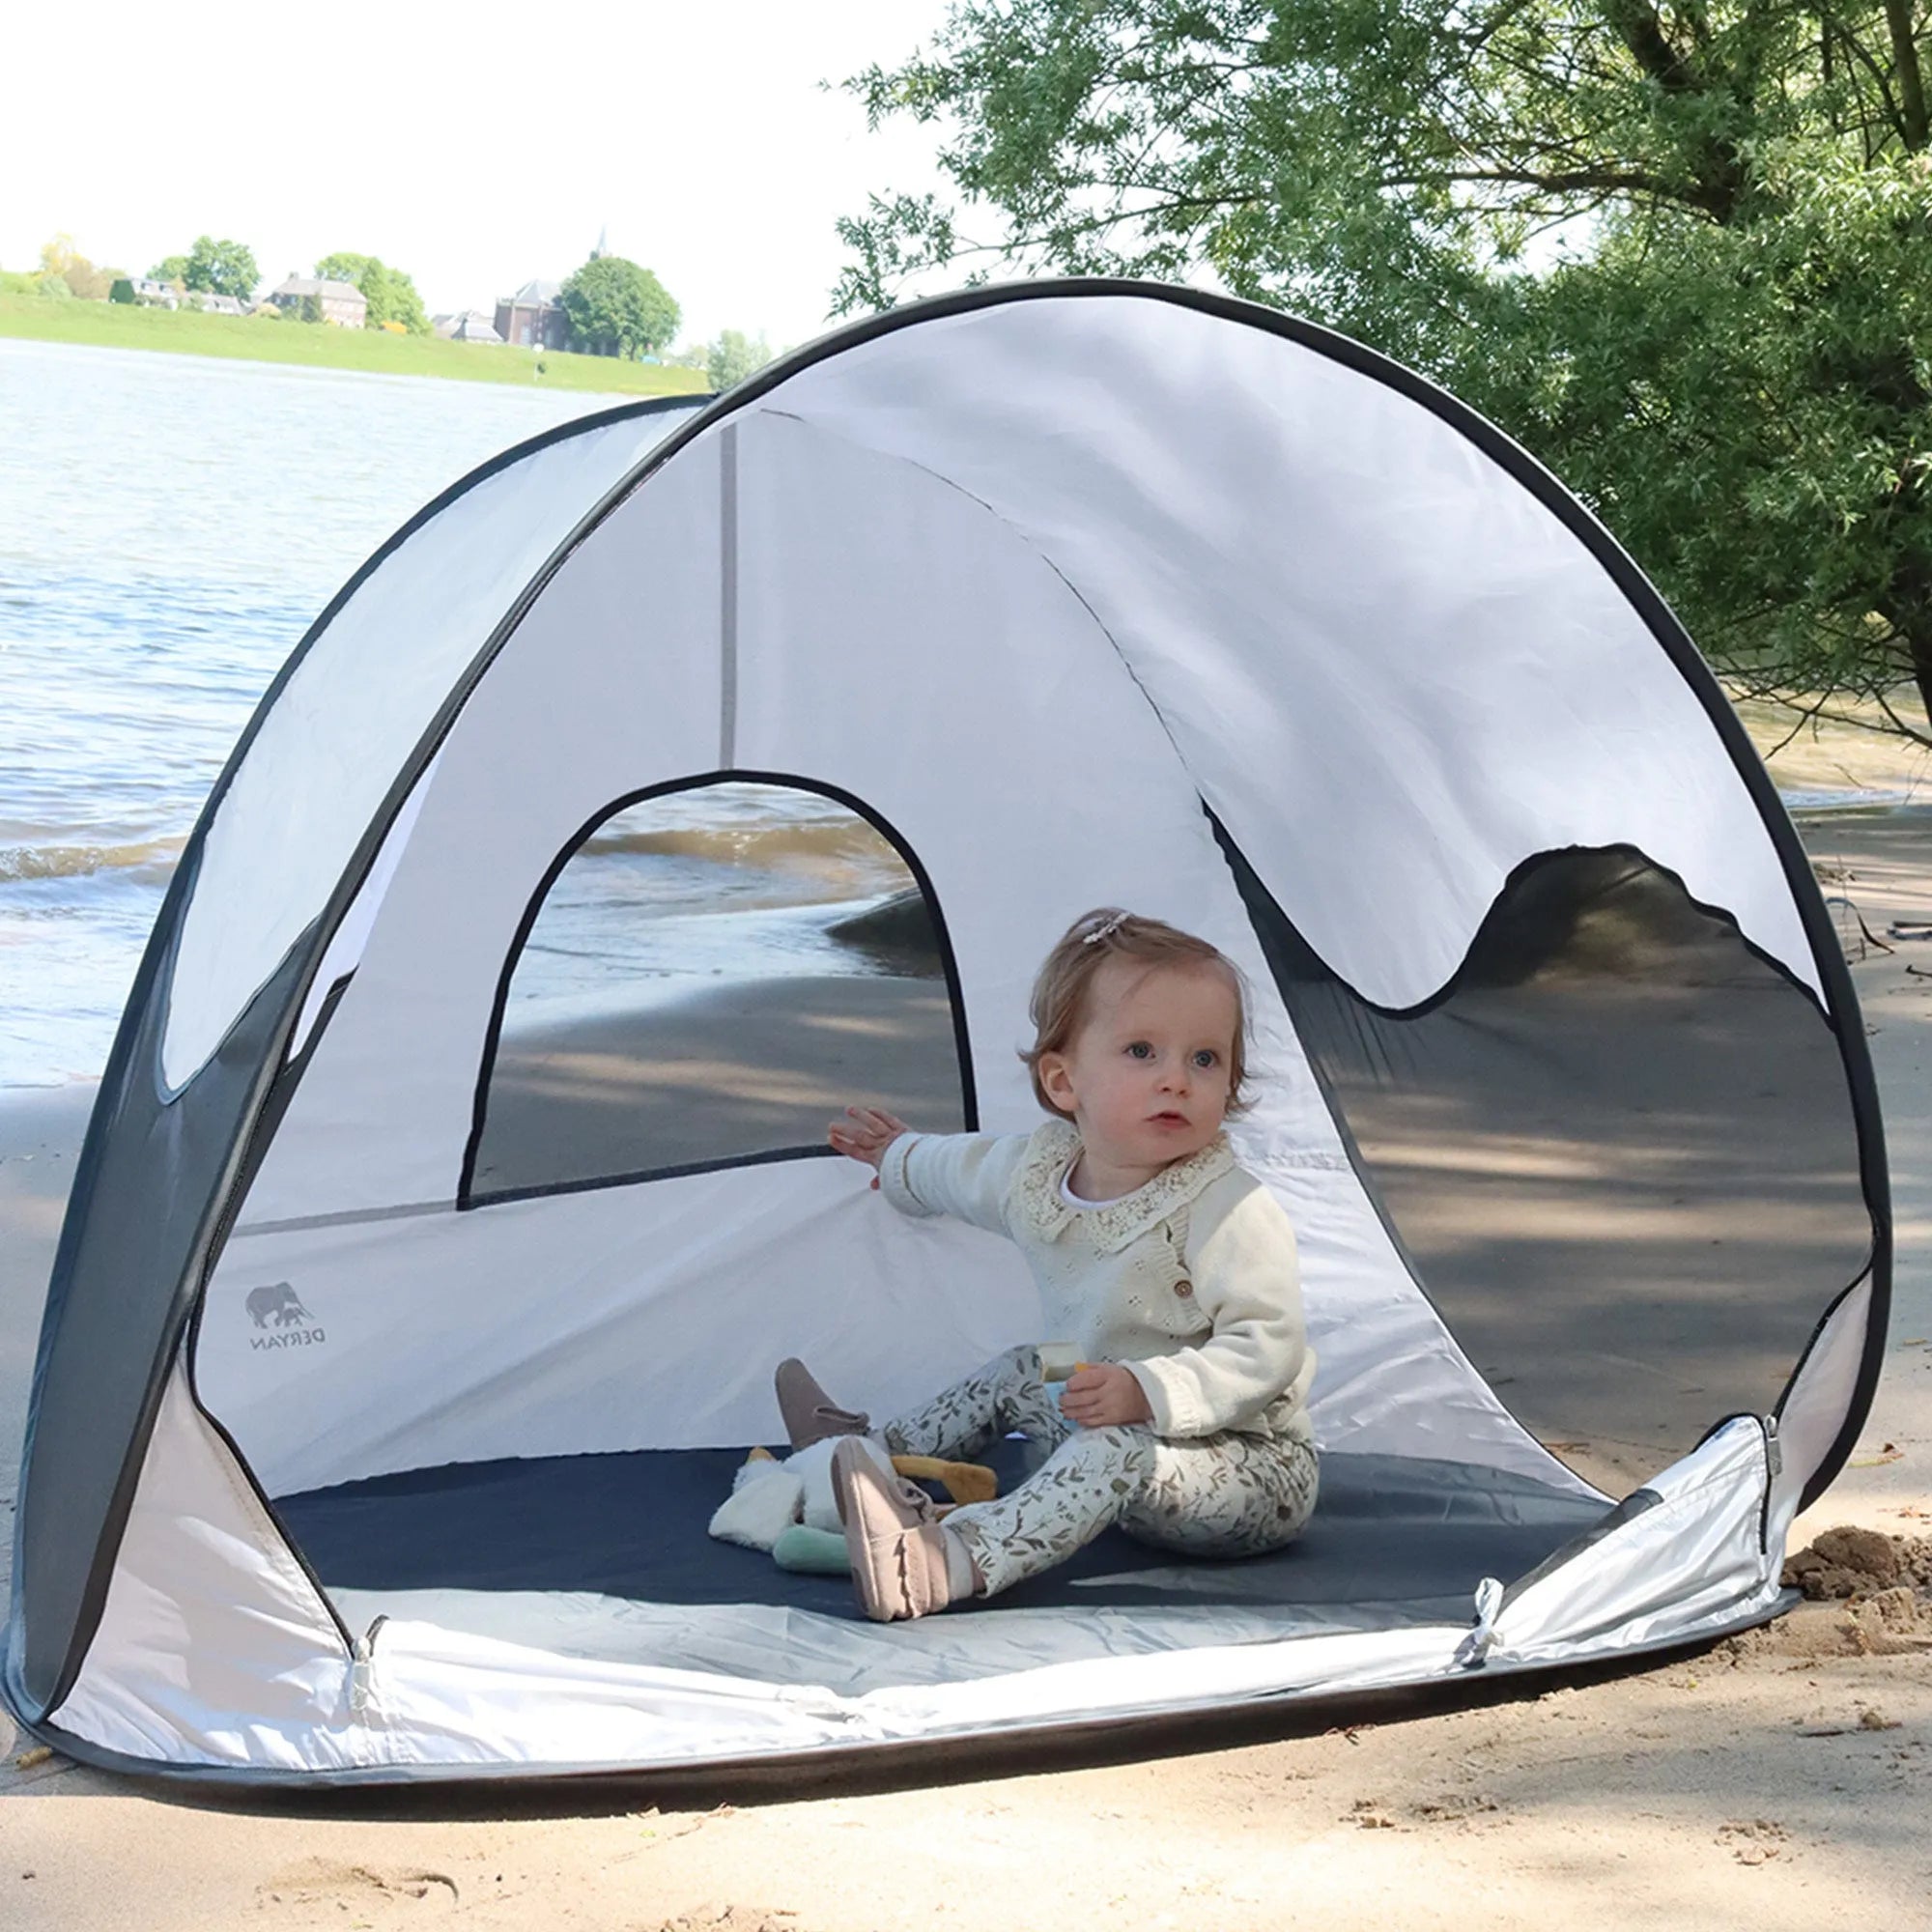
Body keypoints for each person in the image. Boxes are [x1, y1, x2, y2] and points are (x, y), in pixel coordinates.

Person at [777, 906, 1318, 1622]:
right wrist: (898, 1157)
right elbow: (959, 1171)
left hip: (1244, 1467)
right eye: (1141, 1052)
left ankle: (943, 1563)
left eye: (1205, 1059)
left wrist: (1148, 1392)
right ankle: (869, 1461)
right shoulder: (1040, 1172)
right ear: (1065, 1083)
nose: (1177, 1080)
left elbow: (1268, 1348)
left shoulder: (1229, 1208)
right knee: (1028, 1365)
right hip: (1101, 1410)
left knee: (1116, 1449)